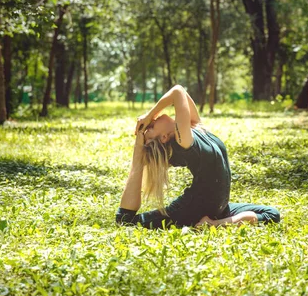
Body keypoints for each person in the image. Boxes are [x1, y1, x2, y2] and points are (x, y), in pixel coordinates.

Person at [116, 85, 280, 229]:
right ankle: (214, 223)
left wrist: (149, 117)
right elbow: (177, 91)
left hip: (217, 207)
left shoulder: (194, 127)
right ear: (164, 137)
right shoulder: (183, 141)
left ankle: (213, 224)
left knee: (271, 214)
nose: (153, 119)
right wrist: (148, 116)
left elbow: (183, 94)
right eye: (151, 126)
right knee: (125, 221)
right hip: (192, 208)